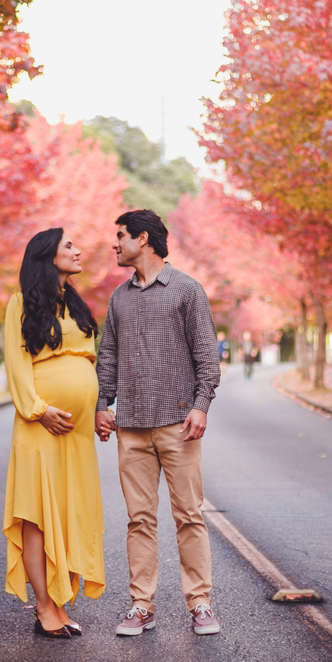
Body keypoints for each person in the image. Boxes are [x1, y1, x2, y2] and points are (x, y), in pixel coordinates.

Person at [94, 209, 223, 636]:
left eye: (120, 237)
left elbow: (207, 355)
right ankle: (141, 606)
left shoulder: (186, 291)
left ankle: (200, 602)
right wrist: (102, 404)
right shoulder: (118, 298)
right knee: (139, 520)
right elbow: (107, 355)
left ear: (143, 239)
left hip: (178, 424)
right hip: (130, 428)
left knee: (188, 515)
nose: (114, 245)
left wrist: (201, 405)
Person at [3, 228, 105, 640]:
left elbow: (91, 362)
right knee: (38, 517)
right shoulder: (20, 304)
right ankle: (44, 607)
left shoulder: (74, 304)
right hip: (40, 427)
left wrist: (97, 407)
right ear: (47, 256)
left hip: (76, 433)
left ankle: (60, 604)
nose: (79, 250)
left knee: (67, 514)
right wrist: (39, 410)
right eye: (69, 246)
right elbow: (16, 363)